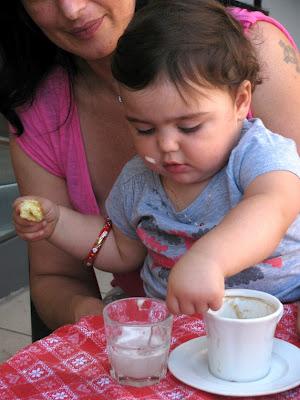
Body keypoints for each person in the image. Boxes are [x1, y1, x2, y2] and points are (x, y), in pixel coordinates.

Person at [1, 0, 300, 333]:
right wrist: (58, 223)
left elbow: (274, 206)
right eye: (144, 129)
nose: (166, 145)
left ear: (241, 101)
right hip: (174, 335)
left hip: (274, 322)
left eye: (189, 127)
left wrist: (210, 258)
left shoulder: (255, 151)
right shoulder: (138, 179)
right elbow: (119, 248)